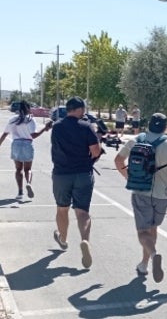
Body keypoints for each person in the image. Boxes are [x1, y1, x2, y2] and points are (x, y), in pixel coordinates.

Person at [114, 113, 167, 282]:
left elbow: (118, 160)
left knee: (142, 232)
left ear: (149, 124)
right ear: (165, 127)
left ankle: (154, 255)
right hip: (162, 195)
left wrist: (128, 176)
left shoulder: (136, 140)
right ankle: (144, 265)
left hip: (141, 192)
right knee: (153, 229)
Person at [50, 97, 102, 269]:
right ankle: (85, 241)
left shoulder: (56, 127)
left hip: (61, 174)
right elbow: (95, 151)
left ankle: (63, 239)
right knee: (82, 212)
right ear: (79, 109)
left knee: (62, 208)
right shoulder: (86, 127)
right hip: (82, 174)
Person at [0, 100, 52, 199]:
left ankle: (20, 192)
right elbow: (34, 135)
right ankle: (28, 183)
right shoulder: (30, 120)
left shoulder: (13, 119)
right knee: (28, 169)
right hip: (27, 144)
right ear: (28, 108)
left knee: (18, 169)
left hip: (16, 144)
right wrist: (44, 129)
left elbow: (5, 134)